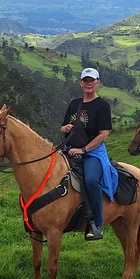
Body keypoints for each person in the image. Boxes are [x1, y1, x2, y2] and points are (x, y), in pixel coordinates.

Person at [61, 67, 119, 240]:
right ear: (80, 83)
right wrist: (64, 128)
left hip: (92, 152)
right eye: (85, 81)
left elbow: (104, 134)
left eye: (92, 81)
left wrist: (84, 150)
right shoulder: (74, 104)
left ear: (98, 83)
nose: (88, 84)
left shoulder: (102, 105)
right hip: (69, 149)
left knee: (91, 180)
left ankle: (96, 223)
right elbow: (63, 126)